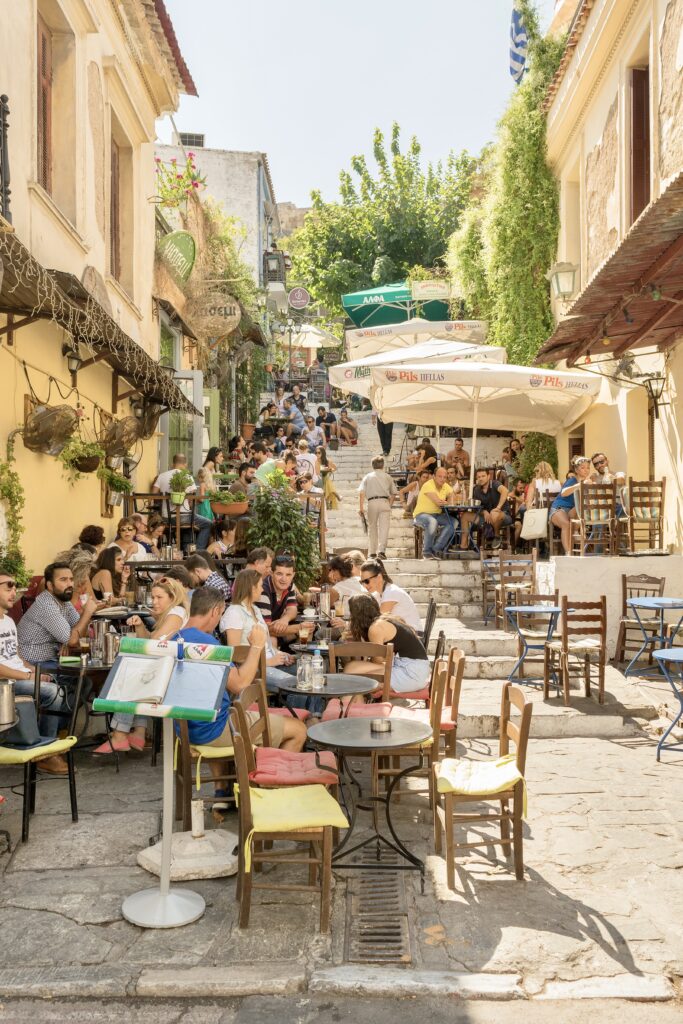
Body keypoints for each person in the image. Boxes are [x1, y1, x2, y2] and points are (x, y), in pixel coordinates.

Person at [177, 588, 306, 804]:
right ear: (216, 610)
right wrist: (256, 645)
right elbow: (240, 684)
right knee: (298, 730)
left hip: (185, 729)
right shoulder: (207, 645)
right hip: (212, 730)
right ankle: (267, 794)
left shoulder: (175, 637)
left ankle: (226, 791)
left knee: (230, 711)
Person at [0, 565, 70, 772]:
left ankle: (48, 739)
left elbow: (14, 655)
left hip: (19, 677)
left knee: (66, 682)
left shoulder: (9, 621)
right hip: (5, 683)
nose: (14, 592)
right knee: (53, 693)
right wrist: (29, 675)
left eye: (16, 587)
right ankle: (45, 753)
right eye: (8, 587)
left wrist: (35, 671)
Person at [221, 569, 298, 692]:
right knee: (297, 685)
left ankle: (314, 712)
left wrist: (280, 654)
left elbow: (266, 644)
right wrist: (268, 662)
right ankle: (293, 711)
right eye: (260, 586)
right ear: (252, 588)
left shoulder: (255, 609)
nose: (262, 590)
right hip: (254, 669)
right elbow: (235, 654)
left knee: (308, 672)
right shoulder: (234, 613)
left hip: (270, 662)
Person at [342, 594, 430, 694]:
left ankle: (359, 703)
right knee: (351, 669)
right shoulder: (385, 619)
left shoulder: (376, 628)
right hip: (415, 669)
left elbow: (378, 661)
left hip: (410, 673)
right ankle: (360, 701)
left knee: (355, 676)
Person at [152, 454, 213, 549]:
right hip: (184, 517)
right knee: (208, 523)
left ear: (172, 464)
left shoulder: (161, 476)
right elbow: (191, 501)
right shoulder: (188, 477)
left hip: (165, 518)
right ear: (185, 464)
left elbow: (153, 495)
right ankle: (198, 550)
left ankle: (182, 548)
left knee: (187, 524)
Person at [359, 559, 422, 632]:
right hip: (403, 633)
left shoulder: (391, 592)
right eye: (362, 582)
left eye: (366, 581)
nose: (364, 585)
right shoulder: (378, 594)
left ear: (379, 577)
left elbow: (378, 620)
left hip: (414, 635)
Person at [459, 468, 512, 552]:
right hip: (486, 518)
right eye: (479, 477)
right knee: (465, 516)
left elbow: (505, 491)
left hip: (503, 516)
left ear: (488, 476)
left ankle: (497, 536)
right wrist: (484, 512)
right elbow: (476, 506)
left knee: (494, 514)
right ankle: (463, 546)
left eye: (483, 476)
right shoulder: (476, 489)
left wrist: (498, 508)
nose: (481, 478)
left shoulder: (495, 484)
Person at [549, 455, 594, 554]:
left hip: (573, 510)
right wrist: (580, 485)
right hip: (559, 509)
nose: (586, 470)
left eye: (588, 468)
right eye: (583, 468)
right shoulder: (572, 480)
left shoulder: (588, 481)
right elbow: (563, 493)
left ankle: (576, 531)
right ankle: (569, 553)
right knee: (566, 524)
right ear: (577, 470)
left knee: (583, 506)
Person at [413, 466, 457, 560]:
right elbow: (438, 502)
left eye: (444, 477)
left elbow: (454, 497)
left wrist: (450, 499)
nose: (442, 479)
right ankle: (427, 552)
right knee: (432, 522)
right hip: (421, 515)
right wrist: (449, 501)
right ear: (434, 476)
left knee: (454, 522)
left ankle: (436, 549)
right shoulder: (428, 485)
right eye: (440, 476)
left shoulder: (445, 486)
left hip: (437, 515)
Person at [124, 577, 189, 640]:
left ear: (172, 598)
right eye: (153, 597)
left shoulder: (176, 613)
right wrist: (139, 625)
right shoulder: (171, 612)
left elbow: (154, 643)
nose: (154, 602)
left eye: (159, 597)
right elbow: (149, 638)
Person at [358, 456, 397, 559]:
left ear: (372, 465)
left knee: (372, 528)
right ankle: (382, 551)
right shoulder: (388, 477)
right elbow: (394, 493)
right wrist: (390, 504)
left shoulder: (368, 476)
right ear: (383, 465)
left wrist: (361, 507)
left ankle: (372, 552)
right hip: (384, 501)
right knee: (384, 528)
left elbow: (361, 492)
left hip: (372, 502)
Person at [260, 553, 300, 653]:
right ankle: (281, 664)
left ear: (293, 575)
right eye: (279, 574)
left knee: (306, 632)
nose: (284, 579)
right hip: (260, 636)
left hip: (276, 630)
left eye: (288, 574)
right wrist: (299, 628)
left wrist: (284, 619)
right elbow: (267, 629)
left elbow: (292, 609)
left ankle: (298, 661)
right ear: (271, 572)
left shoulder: (289, 585)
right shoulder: (263, 590)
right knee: (273, 638)